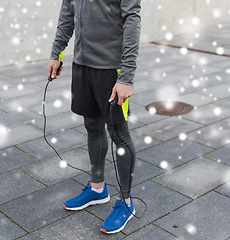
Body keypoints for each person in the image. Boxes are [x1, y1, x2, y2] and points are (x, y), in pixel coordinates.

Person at [47, 0, 141, 234]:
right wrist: (56, 52)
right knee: (92, 126)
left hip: (112, 69)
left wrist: (126, 76)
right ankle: (98, 188)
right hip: (82, 64)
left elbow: (132, 19)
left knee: (119, 133)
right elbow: (68, 13)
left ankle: (126, 203)